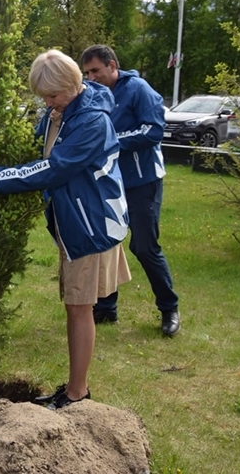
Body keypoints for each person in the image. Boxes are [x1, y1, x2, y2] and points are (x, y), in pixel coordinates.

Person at [0, 49, 131, 410]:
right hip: (76, 219)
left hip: (91, 224)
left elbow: (53, 169)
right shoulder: (63, 111)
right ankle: (75, 387)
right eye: (43, 96)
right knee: (75, 305)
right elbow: (37, 146)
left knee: (79, 307)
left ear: (73, 85)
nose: (47, 102)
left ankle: (76, 393)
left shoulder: (90, 121)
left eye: (52, 95)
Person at [80, 44, 180, 336]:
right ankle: (106, 308)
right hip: (110, 183)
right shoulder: (92, 94)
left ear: (113, 65)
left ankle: (169, 308)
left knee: (144, 247)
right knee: (107, 244)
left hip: (143, 181)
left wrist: (111, 141)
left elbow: (154, 130)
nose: (91, 77)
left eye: (96, 71)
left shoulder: (139, 89)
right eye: (86, 73)